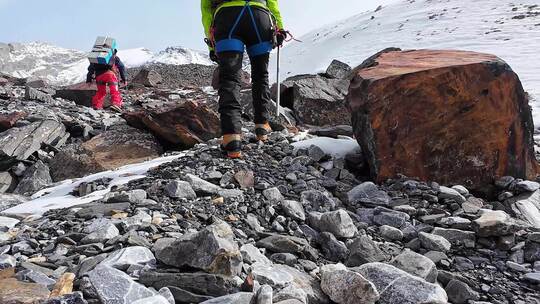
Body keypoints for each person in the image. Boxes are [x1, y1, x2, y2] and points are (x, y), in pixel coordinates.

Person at [201, 0, 287, 159]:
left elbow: (206, 9)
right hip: (259, 17)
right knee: (261, 75)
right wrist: (279, 28)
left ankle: (232, 138)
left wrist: (212, 46)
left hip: (227, 19)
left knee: (229, 79)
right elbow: (272, 3)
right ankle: (262, 127)